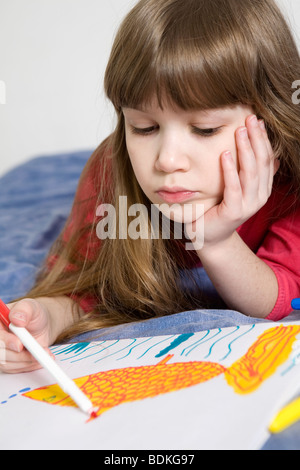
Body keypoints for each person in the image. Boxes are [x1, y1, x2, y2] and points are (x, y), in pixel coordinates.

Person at [1, 0, 300, 373]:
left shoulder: (293, 180)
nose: (167, 160)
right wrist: (44, 317)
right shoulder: (110, 172)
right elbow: (84, 290)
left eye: (204, 129)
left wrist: (216, 240)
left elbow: (284, 297)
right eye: (144, 128)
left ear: (271, 123)